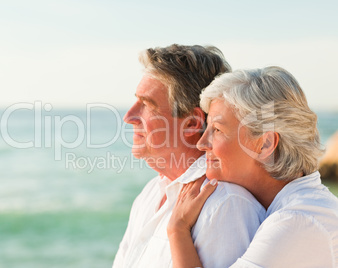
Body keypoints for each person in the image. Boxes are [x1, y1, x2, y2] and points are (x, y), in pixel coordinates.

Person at [113, 44, 266, 268]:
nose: (129, 117)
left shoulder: (227, 206)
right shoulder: (150, 195)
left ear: (192, 123)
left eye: (146, 104)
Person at [169, 66, 338, 267]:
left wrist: (178, 230)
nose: (202, 143)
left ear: (265, 144)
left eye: (217, 129)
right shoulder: (299, 208)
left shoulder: (297, 221)